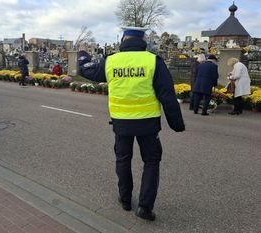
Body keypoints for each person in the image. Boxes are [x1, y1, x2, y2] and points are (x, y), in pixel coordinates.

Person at [78, 26, 185, 221]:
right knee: (151, 162)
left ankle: (125, 199)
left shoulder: (110, 61)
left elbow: (86, 71)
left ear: (123, 39)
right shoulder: (153, 61)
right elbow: (167, 95)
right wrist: (176, 123)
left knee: (123, 159)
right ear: (142, 39)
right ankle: (144, 207)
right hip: (148, 123)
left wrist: (83, 54)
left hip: (121, 123)